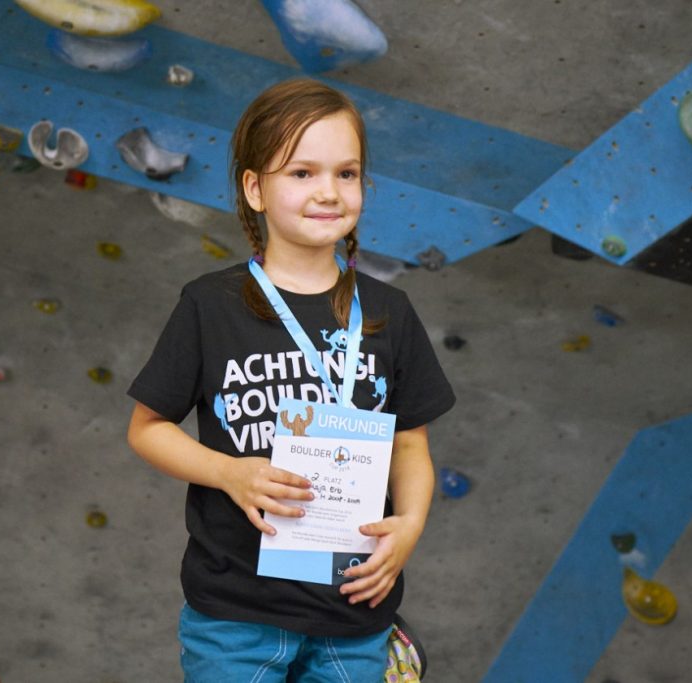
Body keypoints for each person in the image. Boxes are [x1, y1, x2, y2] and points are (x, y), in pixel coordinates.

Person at [126, 77, 455, 682]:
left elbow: (411, 444)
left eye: (346, 173)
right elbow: (147, 430)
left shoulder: (391, 313)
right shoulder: (210, 305)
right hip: (234, 618)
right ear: (255, 188)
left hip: (358, 615)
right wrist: (229, 472)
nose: (328, 191)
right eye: (302, 173)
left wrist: (409, 527)